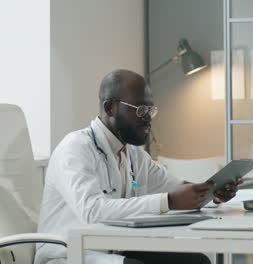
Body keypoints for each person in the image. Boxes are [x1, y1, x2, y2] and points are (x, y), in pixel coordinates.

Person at [34, 69, 241, 264]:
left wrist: (213, 194)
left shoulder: (133, 154)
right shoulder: (75, 148)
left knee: (196, 261)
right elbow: (91, 210)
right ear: (110, 108)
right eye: (141, 110)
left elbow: (178, 189)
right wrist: (167, 201)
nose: (148, 118)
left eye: (151, 110)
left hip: (113, 250)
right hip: (69, 254)